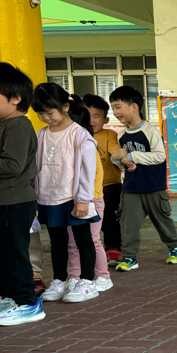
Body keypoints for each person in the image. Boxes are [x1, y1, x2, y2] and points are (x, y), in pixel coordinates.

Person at [0, 62, 44, 327]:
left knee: (13, 254)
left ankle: (27, 303)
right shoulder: (1, 123)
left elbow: (12, 165)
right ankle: (8, 296)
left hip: (13, 202)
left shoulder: (18, 125)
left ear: (15, 98)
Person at [31, 84, 101, 304]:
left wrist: (83, 199)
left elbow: (87, 171)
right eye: (40, 114)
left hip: (74, 198)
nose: (45, 118)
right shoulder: (40, 135)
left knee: (83, 240)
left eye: (49, 112)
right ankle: (59, 280)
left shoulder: (79, 135)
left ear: (65, 107)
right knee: (57, 242)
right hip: (49, 198)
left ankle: (87, 282)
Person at [109, 85, 177, 270]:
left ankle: (175, 248)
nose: (115, 112)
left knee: (162, 221)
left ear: (134, 107)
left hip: (154, 187)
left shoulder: (150, 131)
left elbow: (160, 156)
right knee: (128, 225)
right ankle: (129, 257)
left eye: (118, 107)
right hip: (131, 188)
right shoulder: (122, 135)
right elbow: (123, 162)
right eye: (113, 108)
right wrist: (119, 159)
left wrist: (133, 156)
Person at [66, 98, 113, 294]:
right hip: (71, 200)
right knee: (72, 241)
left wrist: (87, 199)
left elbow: (93, 177)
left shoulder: (86, 143)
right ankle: (74, 277)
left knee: (92, 239)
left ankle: (103, 276)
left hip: (91, 200)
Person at [84, 94, 123, 261]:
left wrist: (123, 156)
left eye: (96, 116)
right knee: (85, 221)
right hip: (86, 188)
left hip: (109, 185)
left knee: (109, 219)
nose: (91, 120)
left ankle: (113, 248)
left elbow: (114, 150)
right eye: (87, 115)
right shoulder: (78, 134)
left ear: (105, 120)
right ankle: (89, 249)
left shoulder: (109, 135)